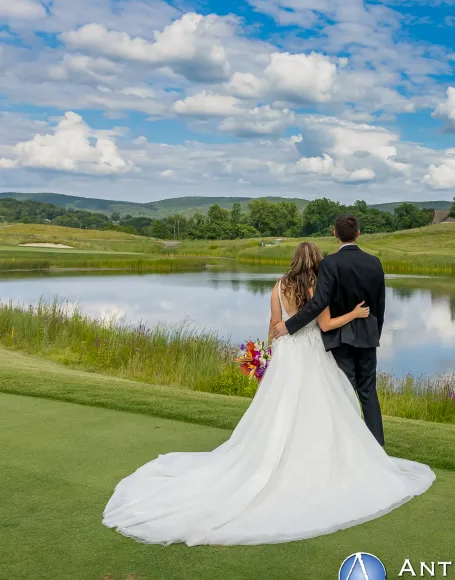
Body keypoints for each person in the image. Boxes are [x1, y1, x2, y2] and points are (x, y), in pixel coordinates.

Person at [102, 241, 435, 546]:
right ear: (317, 261)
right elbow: (325, 325)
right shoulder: (318, 285)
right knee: (322, 409)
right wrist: (355, 314)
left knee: (281, 409)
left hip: (286, 355)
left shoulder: (278, 285)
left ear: (293, 260)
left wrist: (266, 357)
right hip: (312, 354)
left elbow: (275, 326)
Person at [272, 213, 386, 444]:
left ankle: (345, 444)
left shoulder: (330, 263)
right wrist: (375, 333)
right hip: (367, 337)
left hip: (340, 337)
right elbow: (379, 306)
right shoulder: (375, 263)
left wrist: (289, 326)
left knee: (343, 393)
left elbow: (318, 303)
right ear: (358, 234)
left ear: (335, 234)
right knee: (368, 393)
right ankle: (376, 446)